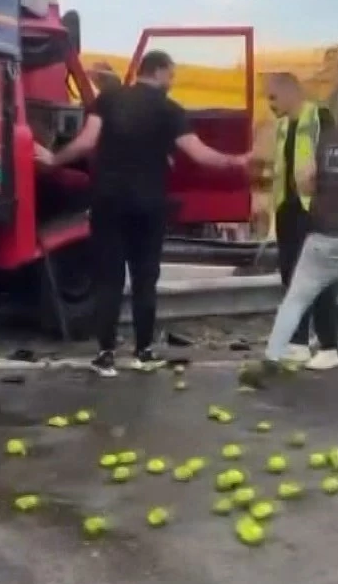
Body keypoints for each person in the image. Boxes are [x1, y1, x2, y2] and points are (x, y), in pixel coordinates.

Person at [34, 50, 251, 376]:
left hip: (108, 202)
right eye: (172, 75)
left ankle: (106, 354)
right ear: (160, 71)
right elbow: (200, 154)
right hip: (148, 206)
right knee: (145, 280)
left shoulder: (109, 99)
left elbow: (86, 142)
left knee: (108, 279)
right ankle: (143, 352)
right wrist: (238, 160)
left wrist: (52, 159)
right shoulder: (170, 110)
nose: (172, 82)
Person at [240, 84, 338, 397]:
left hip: (322, 236)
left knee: (296, 298)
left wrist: (326, 194)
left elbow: (304, 179)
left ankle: (271, 359)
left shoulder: (331, 137)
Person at [266, 71, 338, 370]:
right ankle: (298, 342)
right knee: (291, 276)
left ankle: (329, 345)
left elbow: (333, 155)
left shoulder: (319, 116)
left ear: (290, 92)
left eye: (272, 96)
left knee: (318, 277)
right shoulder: (284, 125)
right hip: (288, 208)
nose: (269, 104)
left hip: (315, 208)